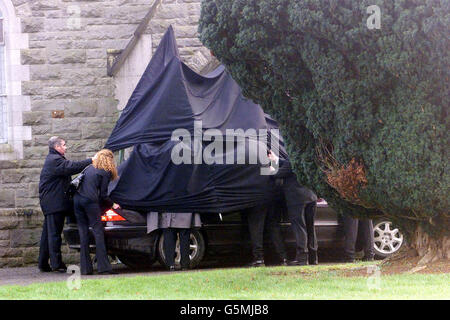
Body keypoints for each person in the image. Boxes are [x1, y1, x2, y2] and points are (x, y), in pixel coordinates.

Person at [38, 136, 93, 273]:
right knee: (54, 234)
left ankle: (43, 263)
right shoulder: (55, 160)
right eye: (64, 144)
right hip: (54, 203)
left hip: (52, 203)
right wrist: (91, 160)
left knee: (48, 234)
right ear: (57, 147)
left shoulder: (53, 159)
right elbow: (71, 167)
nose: (66, 147)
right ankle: (57, 264)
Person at [73, 149, 119, 275]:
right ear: (110, 160)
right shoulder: (105, 172)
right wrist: (113, 204)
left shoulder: (89, 168)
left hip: (77, 201)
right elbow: (103, 195)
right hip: (89, 201)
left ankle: (85, 269)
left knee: (83, 233)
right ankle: (103, 267)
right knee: (98, 232)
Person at [269, 150, 318, 266]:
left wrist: (272, 169)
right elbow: (290, 164)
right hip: (311, 196)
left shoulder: (294, 156)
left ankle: (302, 258)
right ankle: (313, 258)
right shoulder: (309, 154)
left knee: (300, 227)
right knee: (311, 228)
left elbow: (278, 174)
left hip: (297, 198)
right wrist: (276, 159)